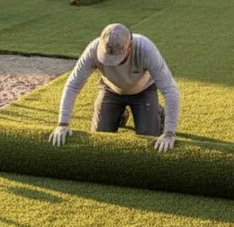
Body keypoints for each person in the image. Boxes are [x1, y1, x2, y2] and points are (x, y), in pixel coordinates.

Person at [49, 23, 181, 154]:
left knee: (148, 139)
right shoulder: (93, 50)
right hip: (111, 89)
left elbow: (169, 89)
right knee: (99, 138)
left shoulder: (146, 50)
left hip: (143, 91)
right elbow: (73, 84)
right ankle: (120, 113)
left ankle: (157, 112)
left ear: (130, 47)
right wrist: (63, 124)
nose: (112, 63)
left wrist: (169, 133)